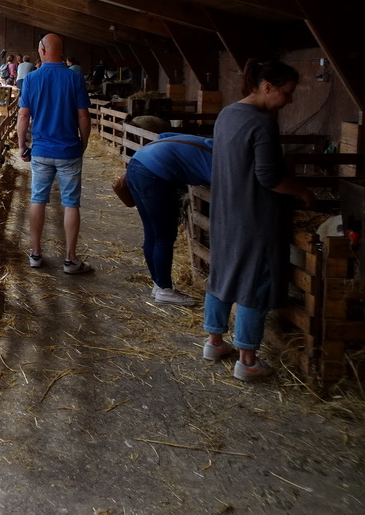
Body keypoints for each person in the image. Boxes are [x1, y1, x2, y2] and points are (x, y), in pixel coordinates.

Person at [203, 59, 314, 382]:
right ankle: (247, 360)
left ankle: (213, 342)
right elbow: (269, 177)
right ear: (267, 87)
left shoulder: (227, 114)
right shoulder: (262, 123)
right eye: (287, 93)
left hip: (226, 211)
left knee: (223, 273)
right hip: (255, 215)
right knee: (254, 282)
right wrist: (302, 191)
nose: (289, 100)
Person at [17, 33, 92, 274]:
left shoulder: (31, 79)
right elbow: (83, 116)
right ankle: (70, 260)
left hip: (41, 150)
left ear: (42, 50)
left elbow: (23, 116)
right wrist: (84, 142)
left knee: (38, 198)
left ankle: (36, 254)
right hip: (69, 149)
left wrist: (21, 145)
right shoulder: (75, 78)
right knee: (71, 203)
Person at [126, 134, 214, 305]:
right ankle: (165, 289)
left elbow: (163, 135)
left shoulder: (203, 142)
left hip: (136, 164)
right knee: (164, 235)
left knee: (152, 231)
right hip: (154, 175)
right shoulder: (218, 160)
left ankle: (158, 285)